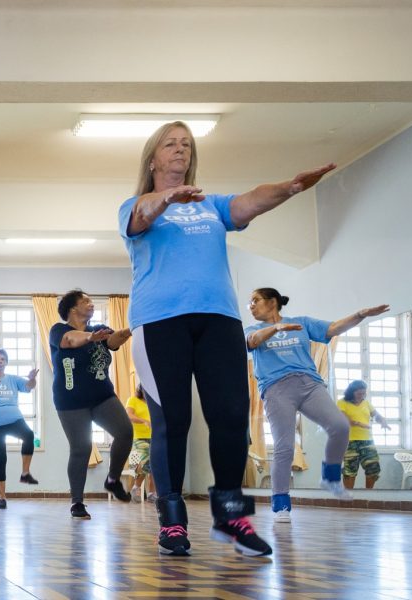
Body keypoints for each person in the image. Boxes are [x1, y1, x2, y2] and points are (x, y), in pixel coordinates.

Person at [120, 120, 335, 557]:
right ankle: (172, 521)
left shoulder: (211, 205)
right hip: (159, 322)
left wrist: (291, 187)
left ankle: (232, 518)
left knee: (233, 418)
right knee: (172, 420)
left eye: (186, 144)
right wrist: (166, 199)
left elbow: (250, 201)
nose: (180, 150)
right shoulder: (135, 204)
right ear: (153, 159)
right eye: (170, 144)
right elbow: (142, 216)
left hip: (219, 320)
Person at [246, 288, 387, 520]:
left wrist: (360, 315)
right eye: (249, 303)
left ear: (272, 302)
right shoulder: (252, 329)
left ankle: (330, 477)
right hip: (276, 388)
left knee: (340, 426)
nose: (251, 306)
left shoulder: (301, 323)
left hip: (309, 384)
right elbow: (253, 341)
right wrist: (276, 328)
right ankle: (281, 504)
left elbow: (333, 328)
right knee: (284, 446)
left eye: (255, 300)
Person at [50, 290, 135, 521]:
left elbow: (113, 340)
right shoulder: (58, 330)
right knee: (81, 448)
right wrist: (90, 338)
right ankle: (77, 502)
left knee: (125, 432)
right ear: (72, 308)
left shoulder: (99, 329)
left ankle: (113, 480)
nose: (91, 303)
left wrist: (130, 329)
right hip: (70, 400)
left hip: (102, 396)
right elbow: (70, 340)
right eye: (85, 301)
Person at [0, 349, 39, 509]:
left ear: (6, 362)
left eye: (3, 359)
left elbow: (29, 386)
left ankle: (25, 473)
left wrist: (32, 379)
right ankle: (2, 498)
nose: (0, 361)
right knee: (1, 459)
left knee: (29, 435)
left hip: (14, 418)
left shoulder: (13, 379)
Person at [338, 380, 391, 489]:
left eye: (363, 393)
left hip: (367, 441)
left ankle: (368, 495)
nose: (361, 396)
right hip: (349, 441)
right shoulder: (342, 402)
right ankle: (349, 495)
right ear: (352, 392)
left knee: (373, 469)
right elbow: (343, 419)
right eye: (359, 393)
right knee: (350, 471)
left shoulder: (366, 403)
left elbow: (376, 415)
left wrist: (382, 421)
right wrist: (358, 423)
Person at [125, 385, 157, 503]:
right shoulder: (133, 400)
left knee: (155, 465)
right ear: (140, 390)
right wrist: (144, 421)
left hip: (155, 437)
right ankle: (136, 487)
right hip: (139, 438)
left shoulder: (153, 402)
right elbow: (129, 416)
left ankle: (151, 493)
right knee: (146, 462)